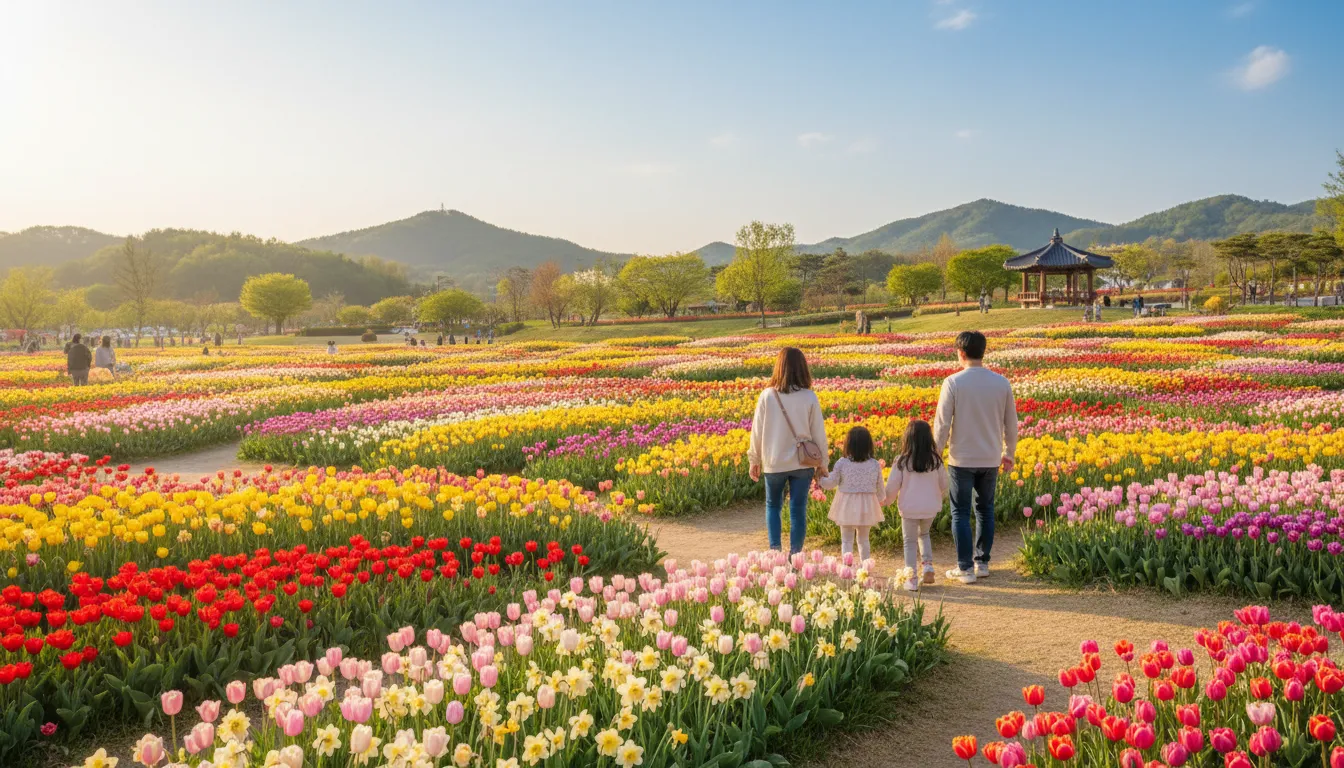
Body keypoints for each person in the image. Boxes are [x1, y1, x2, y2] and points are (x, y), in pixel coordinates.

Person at [932, 331, 1018, 584]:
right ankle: (982, 563)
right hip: (990, 457)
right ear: (983, 351)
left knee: (959, 512)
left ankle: (965, 568)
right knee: (985, 510)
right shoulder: (1001, 383)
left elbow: (942, 424)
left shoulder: (953, 382)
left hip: (962, 458)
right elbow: (1011, 424)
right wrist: (1008, 452)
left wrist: (936, 453)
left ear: (961, 353)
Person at [747, 347, 828, 555]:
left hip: (774, 462)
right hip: (803, 463)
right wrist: (823, 464)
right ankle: (795, 556)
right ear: (802, 368)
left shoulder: (767, 396)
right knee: (798, 510)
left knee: (773, 507)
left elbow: (757, 431)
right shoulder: (809, 397)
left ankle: (775, 553)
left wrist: (754, 459)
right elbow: (819, 433)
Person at [883, 419, 947, 591]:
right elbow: (944, 485)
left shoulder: (902, 461)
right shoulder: (936, 461)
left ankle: (911, 578)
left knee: (909, 542)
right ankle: (927, 566)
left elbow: (892, 487)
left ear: (908, 439)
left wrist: (886, 501)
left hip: (909, 508)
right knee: (924, 534)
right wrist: (937, 496)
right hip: (930, 508)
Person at [816, 426, 883, 562]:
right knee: (864, 540)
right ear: (869, 445)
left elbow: (830, 484)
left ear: (848, 445)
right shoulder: (874, 465)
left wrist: (819, 479)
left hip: (846, 506)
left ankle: (847, 568)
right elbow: (881, 491)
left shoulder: (842, 463)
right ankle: (865, 567)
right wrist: (878, 501)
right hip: (866, 507)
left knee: (846, 540)